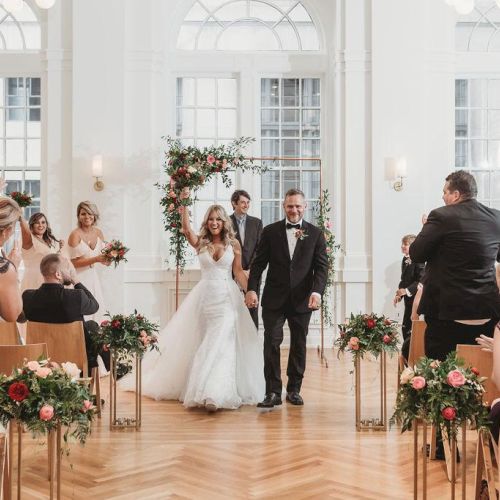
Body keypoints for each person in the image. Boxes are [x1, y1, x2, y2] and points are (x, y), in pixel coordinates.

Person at [120, 189, 265, 411]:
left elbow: (238, 273)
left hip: (227, 299)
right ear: (206, 222)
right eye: (211, 219)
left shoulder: (234, 245)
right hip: (205, 299)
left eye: (218, 219)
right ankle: (203, 389)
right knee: (207, 340)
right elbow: (186, 228)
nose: (214, 222)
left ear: (224, 222)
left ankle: (215, 393)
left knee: (222, 341)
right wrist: (185, 201)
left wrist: (250, 292)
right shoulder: (201, 243)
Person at [246, 188, 328, 408]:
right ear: (284, 206)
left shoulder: (316, 234)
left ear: (305, 207)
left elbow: (321, 268)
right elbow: (258, 264)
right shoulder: (270, 232)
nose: (294, 210)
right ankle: (272, 391)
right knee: (271, 343)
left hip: (303, 300)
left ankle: (294, 390)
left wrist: (316, 292)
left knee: (299, 344)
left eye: (298, 206)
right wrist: (252, 289)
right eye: (290, 206)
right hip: (274, 299)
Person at [410, 170, 500, 361]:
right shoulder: (496, 218)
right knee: (479, 372)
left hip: (447, 311)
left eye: (445, 192)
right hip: (486, 310)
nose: (443, 196)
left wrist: (426, 230)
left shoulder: (441, 216)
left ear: (456, 194)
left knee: (440, 375)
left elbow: (416, 253)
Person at [22, 253, 101, 375]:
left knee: (91, 325)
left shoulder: (28, 297)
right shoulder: (76, 296)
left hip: (41, 361)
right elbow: (94, 306)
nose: (70, 271)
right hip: (75, 362)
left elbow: (20, 319)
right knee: (93, 327)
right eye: (67, 268)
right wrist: (76, 281)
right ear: (58, 274)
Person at [67, 201, 110, 322]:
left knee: (97, 310)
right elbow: (73, 263)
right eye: (83, 213)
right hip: (78, 278)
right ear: (78, 216)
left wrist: (111, 258)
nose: (87, 217)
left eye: (90, 213)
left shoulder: (98, 232)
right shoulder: (75, 234)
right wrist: (96, 259)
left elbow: (104, 256)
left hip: (92, 277)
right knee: (82, 313)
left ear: (95, 215)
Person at [230, 189, 263, 328]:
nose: (246, 205)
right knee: (232, 309)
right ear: (234, 203)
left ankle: (253, 345)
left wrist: (250, 269)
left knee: (252, 309)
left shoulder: (256, 223)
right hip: (231, 273)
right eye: (242, 202)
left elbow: (260, 249)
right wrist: (237, 270)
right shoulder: (226, 222)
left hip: (252, 274)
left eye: (248, 202)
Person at [394, 234, 424, 361]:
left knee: (411, 327)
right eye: (402, 243)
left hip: (417, 299)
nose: (402, 246)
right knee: (405, 326)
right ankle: (407, 354)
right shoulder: (405, 259)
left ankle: (412, 354)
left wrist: (406, 291)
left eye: (405, 244)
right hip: (407, 299)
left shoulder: (419, 260)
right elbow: (404, 280)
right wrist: (399, 294)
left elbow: (421, 280)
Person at [20, 212, 64, 292]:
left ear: (46, 224)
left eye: (43, 222)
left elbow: (50, 260)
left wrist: (60, 250)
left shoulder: (46, 241)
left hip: (47, 279)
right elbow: (25, 229)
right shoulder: (29, 240)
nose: (40, 225)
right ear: (32, 225)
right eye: (37, 222)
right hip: (33, 279)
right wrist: (20, 214)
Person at [0, 196, 23, 322]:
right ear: (6, 230)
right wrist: (13, 267)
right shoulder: (4, 269)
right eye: (14, 227)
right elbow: (12, 315)